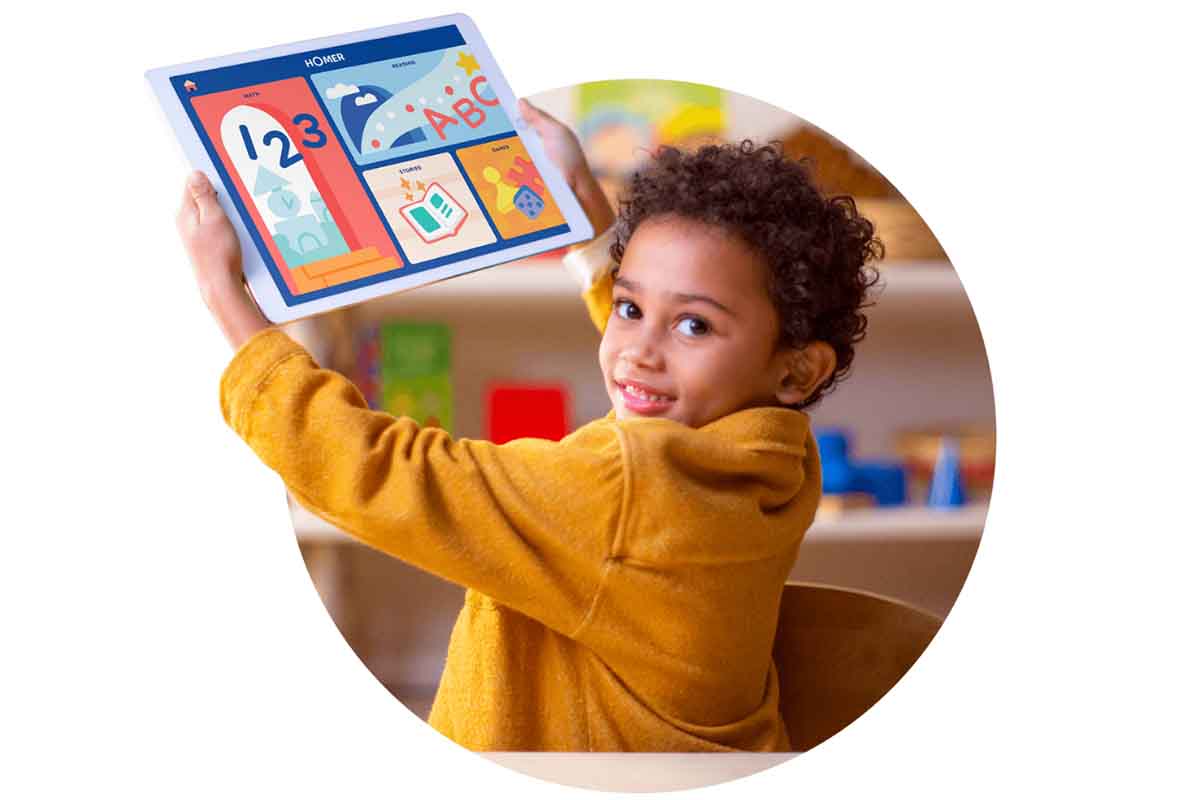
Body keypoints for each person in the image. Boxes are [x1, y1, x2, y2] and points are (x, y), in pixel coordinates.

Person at [176, 98, 882, 752]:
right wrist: (587, 210)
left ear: (797, 370)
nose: (636, 347)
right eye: (630, 307)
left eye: (693, 324)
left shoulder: (623, 492)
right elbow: (675, 376)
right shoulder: (767, 455)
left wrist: (229, 304)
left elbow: (384, 473)